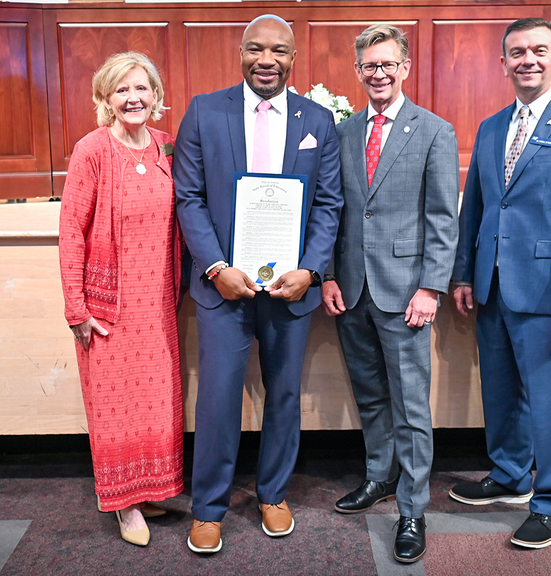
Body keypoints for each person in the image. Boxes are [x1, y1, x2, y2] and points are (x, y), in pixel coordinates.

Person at [173, 14, 342, 554]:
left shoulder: (318, 118)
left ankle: (272, 493)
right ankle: (209, 507)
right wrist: (216, 268)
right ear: (240, 53)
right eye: (254, 49)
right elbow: (189, 198)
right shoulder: (204, 111)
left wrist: (312, 271)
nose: (265, 60)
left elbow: (329, 204)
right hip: (223, 284)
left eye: (278, 51)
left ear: (294, 58)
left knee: (285, 395)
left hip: (290, 288)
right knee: (218, 397)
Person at [449, 18, 551, 549]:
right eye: (517, 52)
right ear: (503, 63)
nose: (528, 60)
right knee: (499, 392)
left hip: (548, 290)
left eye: (539, 51)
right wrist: (463, 274)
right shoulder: (493, 126)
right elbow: (473, 206)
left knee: (549, 400)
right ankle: (511, 476)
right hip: (492, 284)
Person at [321, 24, 458, 564]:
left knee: (410, 403)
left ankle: (412, 507)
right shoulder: (344, 131)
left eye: (387, 65)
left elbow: (444, 218)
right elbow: (331, 213)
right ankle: (379, 477)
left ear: (405, 68)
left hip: (407, 293)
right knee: (371, 394)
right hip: (352, 289)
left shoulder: (434, 130)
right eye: (368, 66)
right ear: (357, 73)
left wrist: (431, 287)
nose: (378, 74)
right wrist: (329, 275)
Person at [58, 52, 184, 547]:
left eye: (141, 89)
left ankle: (149, 490)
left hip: (158, 306)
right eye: (121, 90)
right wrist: (77, 307)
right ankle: (123, 504)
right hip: (108, 307)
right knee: (114, 407)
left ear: (155, 94)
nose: (133, 98)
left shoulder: (167, 146)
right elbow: (71, 231)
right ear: (104, 99)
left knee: (155, 403)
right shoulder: (90, 150)